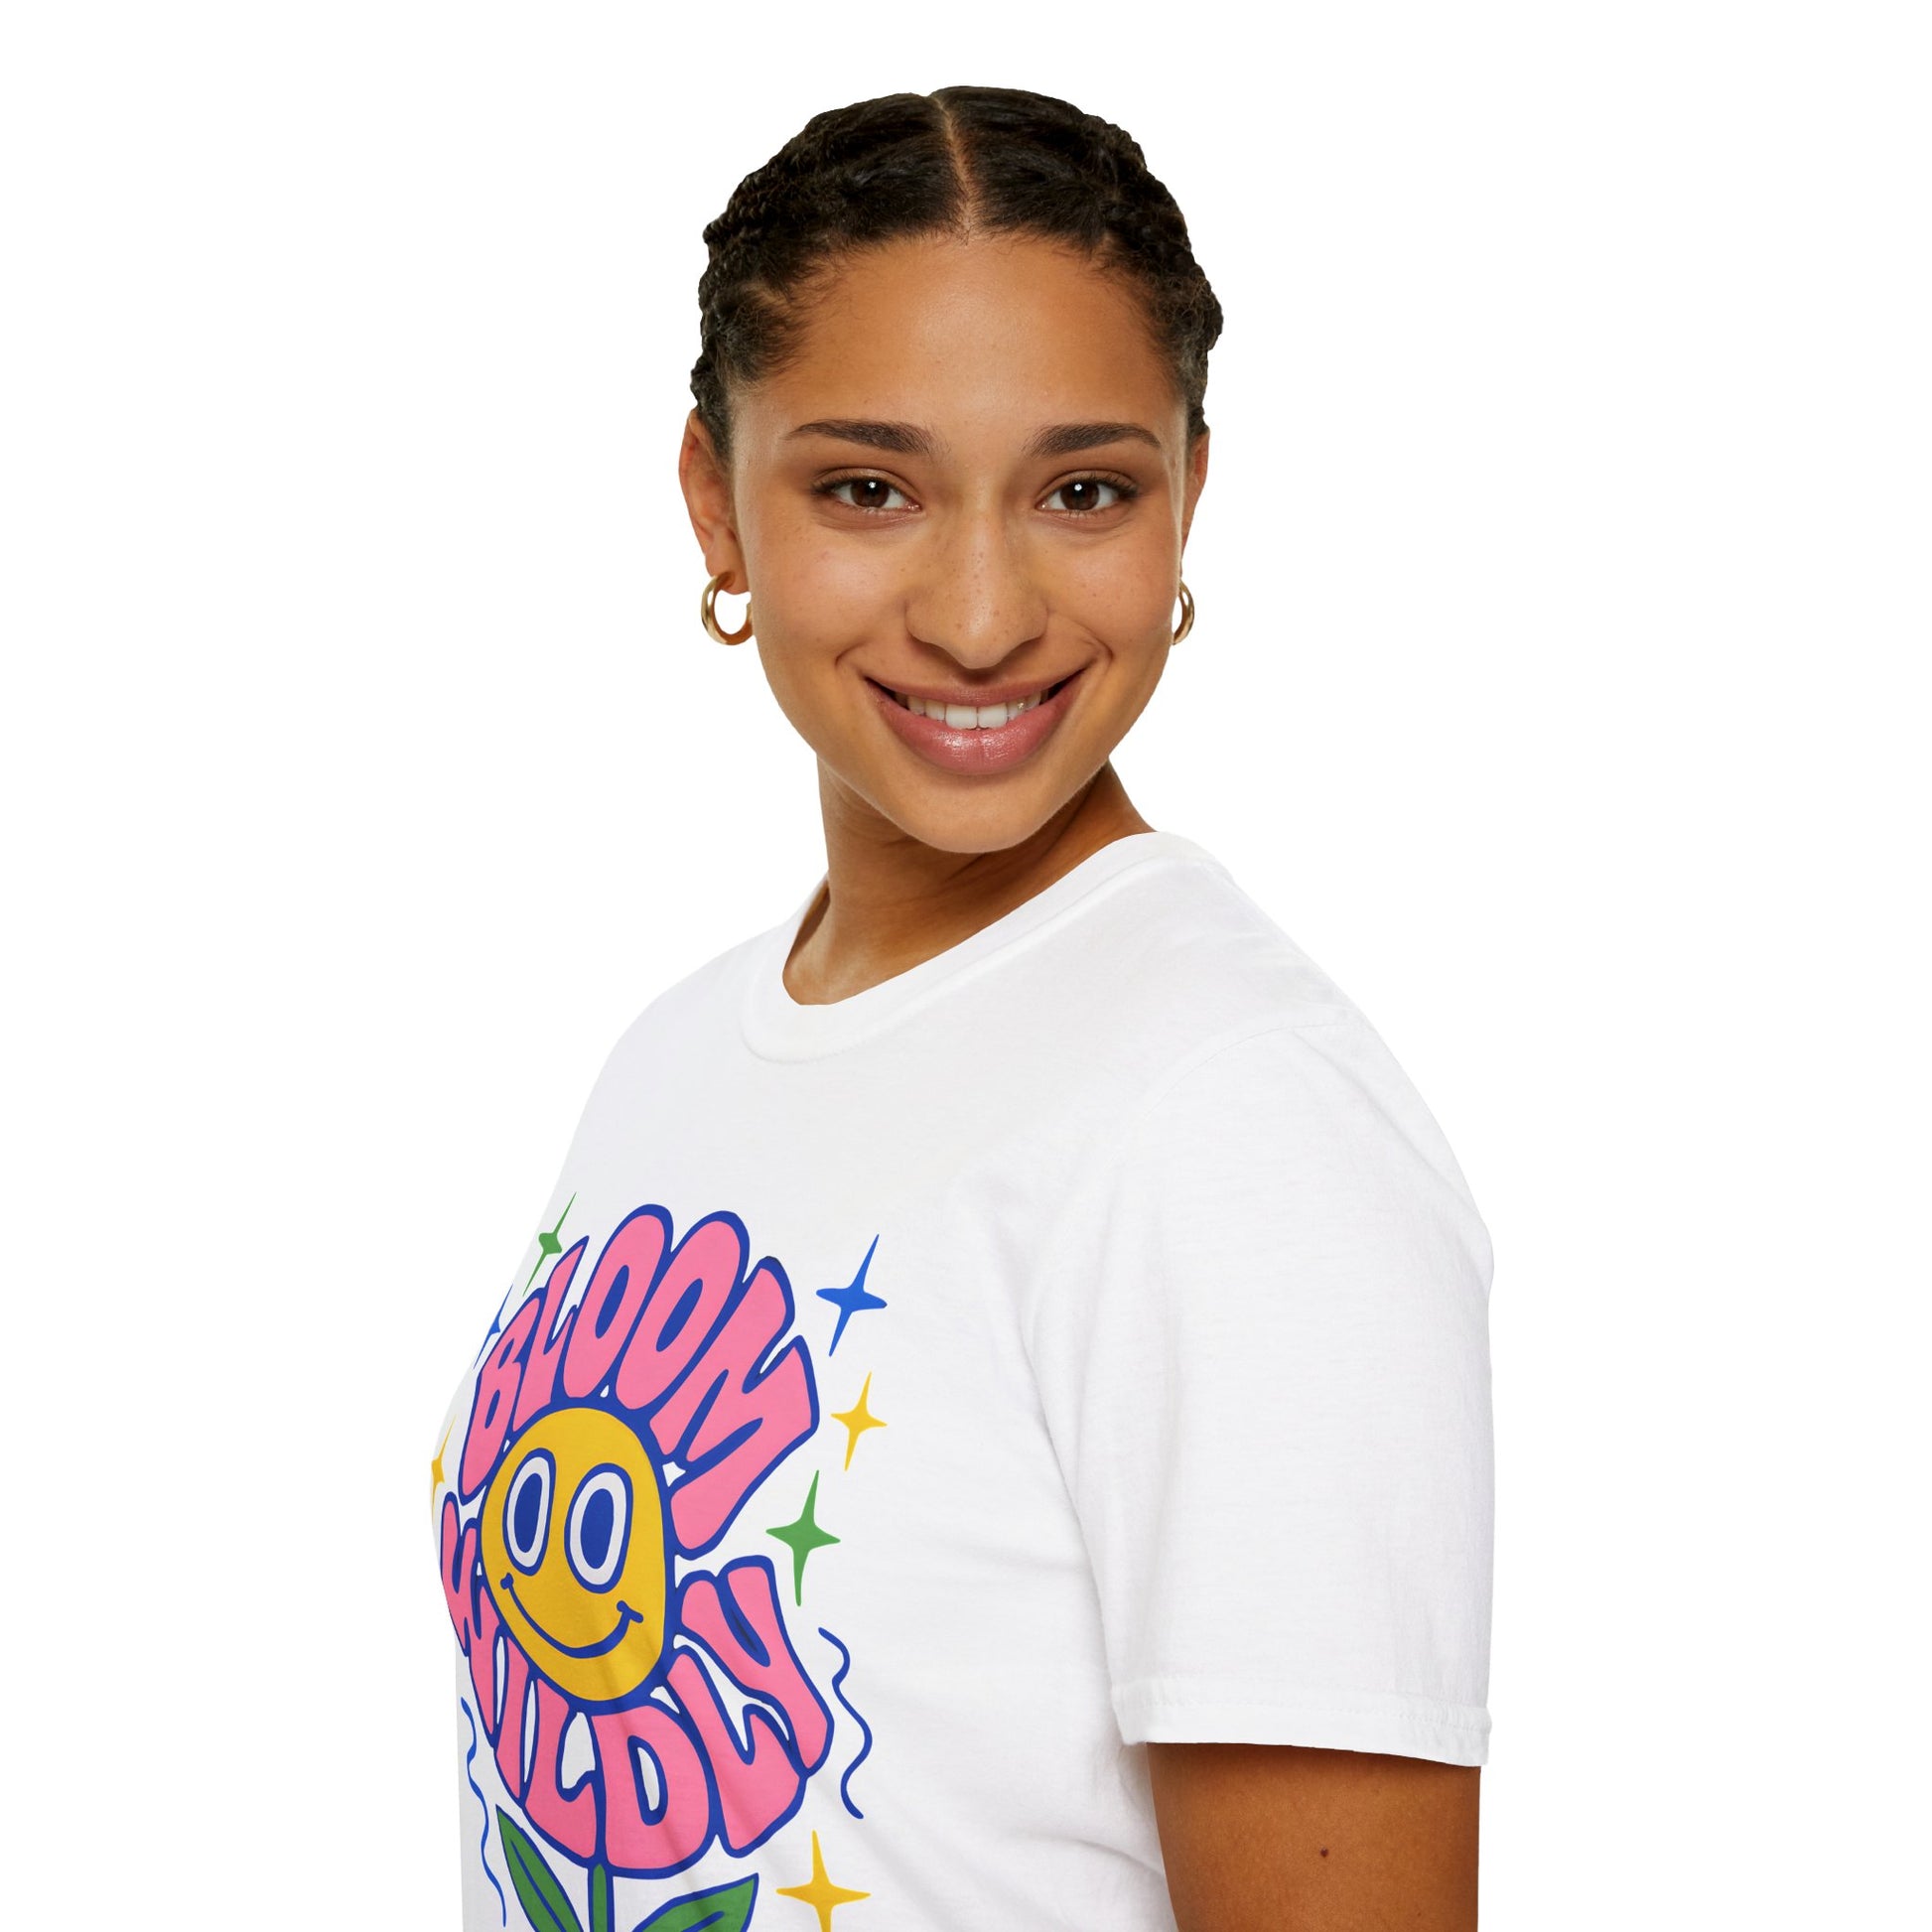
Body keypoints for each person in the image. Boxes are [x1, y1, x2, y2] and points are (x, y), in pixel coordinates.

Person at [429, 85, 1493, 1932]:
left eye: (1085, 490)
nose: (983, 613)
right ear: (715, 500)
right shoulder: (678, 1051)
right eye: (868, 488)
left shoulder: (1237, 1126)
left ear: (1188, 496)